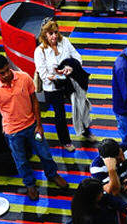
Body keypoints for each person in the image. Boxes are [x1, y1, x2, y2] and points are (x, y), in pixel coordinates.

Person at [0, 54, 69, 201]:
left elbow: (34, 100)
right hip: (13, 132)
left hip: (32, 126)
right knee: (21, 161)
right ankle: (30, 184)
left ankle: (52, 174)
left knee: (45, 154)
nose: (7, 74)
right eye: (2, 72)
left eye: (7, 69)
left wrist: (39, 125)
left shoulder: (24, 77)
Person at [34, 18, 93, 151]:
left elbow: (77, 57)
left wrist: (70, 68)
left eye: (56, 32)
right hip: (53, 87)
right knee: (60, 115)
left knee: (80, 106)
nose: (54, 36)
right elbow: (42, 73)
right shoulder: (40, 51)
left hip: (69, 82)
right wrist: (55, 75)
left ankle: (86, 131)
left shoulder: (64, 42)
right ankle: (65, 141)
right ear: (44, 35)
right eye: (50, 33)